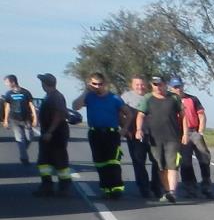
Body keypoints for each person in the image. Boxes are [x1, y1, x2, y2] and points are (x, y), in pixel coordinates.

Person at [71, 72, 127, 200]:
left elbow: (128, 113)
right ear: (90, 84)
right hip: (95, 133)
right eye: (94, 84)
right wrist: (86, 91)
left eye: (100, 84)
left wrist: (124, 129)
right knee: (100, 163)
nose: (97, 86)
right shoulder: (89, 97)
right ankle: (106, 189)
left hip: (111, 134)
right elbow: (75, 106)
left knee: (113, 162)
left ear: (105, 84)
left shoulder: (114, 98)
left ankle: (116, 189)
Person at [136, 75, 185, 203]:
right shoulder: (148, 98)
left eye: (160, 84)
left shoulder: (174, 98)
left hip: (172, 137)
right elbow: (140, 115)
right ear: (152, 85)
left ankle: (172, 191)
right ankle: (168, 192)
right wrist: (139, 129)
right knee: (161, 166)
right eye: (155, 84)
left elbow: (183, 116)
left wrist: (185, 133)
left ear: (165, 84)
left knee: (172, 165)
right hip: (155, 139)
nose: (158, 87)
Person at [171, 77, 213, 198]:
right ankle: (190, 187)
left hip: (194, 131)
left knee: (204, 156)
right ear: (171, 88)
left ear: (183, 86)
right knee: (185, 161)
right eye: (175, 87)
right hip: (180, 134)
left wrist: (201, 132)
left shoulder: (192, 99)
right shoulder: (170, 101)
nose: (178, 89)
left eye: (179, 86)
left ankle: (206, 184)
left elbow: (201, 115)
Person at [33, 74, 73, 196]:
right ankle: (47, 186)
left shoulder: (55, 97)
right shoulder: (50, 96)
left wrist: (50, 131)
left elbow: (58, 115)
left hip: (56, 134)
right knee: (44, 161)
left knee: (60, 161)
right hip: (50, 132)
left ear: (45, 84)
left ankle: (64, 188)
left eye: (42, 82)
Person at [121, 76, 155, 199]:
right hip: (134, 135)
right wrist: (125, 129)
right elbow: (119, 114)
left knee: (156, 161)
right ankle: (144, 188)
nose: (140, 87)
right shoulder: (126, 97)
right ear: (132, 85)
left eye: (142, 84)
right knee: (139, 162)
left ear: (146, 85)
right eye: (137, 84)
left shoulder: (151, 97)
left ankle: (156, 186)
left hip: (152, 134)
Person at [3, 74, 37, 165]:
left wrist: (35, 118)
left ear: (13, 82)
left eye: (7, 82)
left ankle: (23, 151)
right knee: (20, 139)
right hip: (14, 119)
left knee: (29, 138)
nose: (6, 84)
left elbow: (31, 105)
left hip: (26, 119)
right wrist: (5, 119)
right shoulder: (8, 94)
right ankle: (24, 158)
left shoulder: (25, 92)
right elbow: (7, 107)